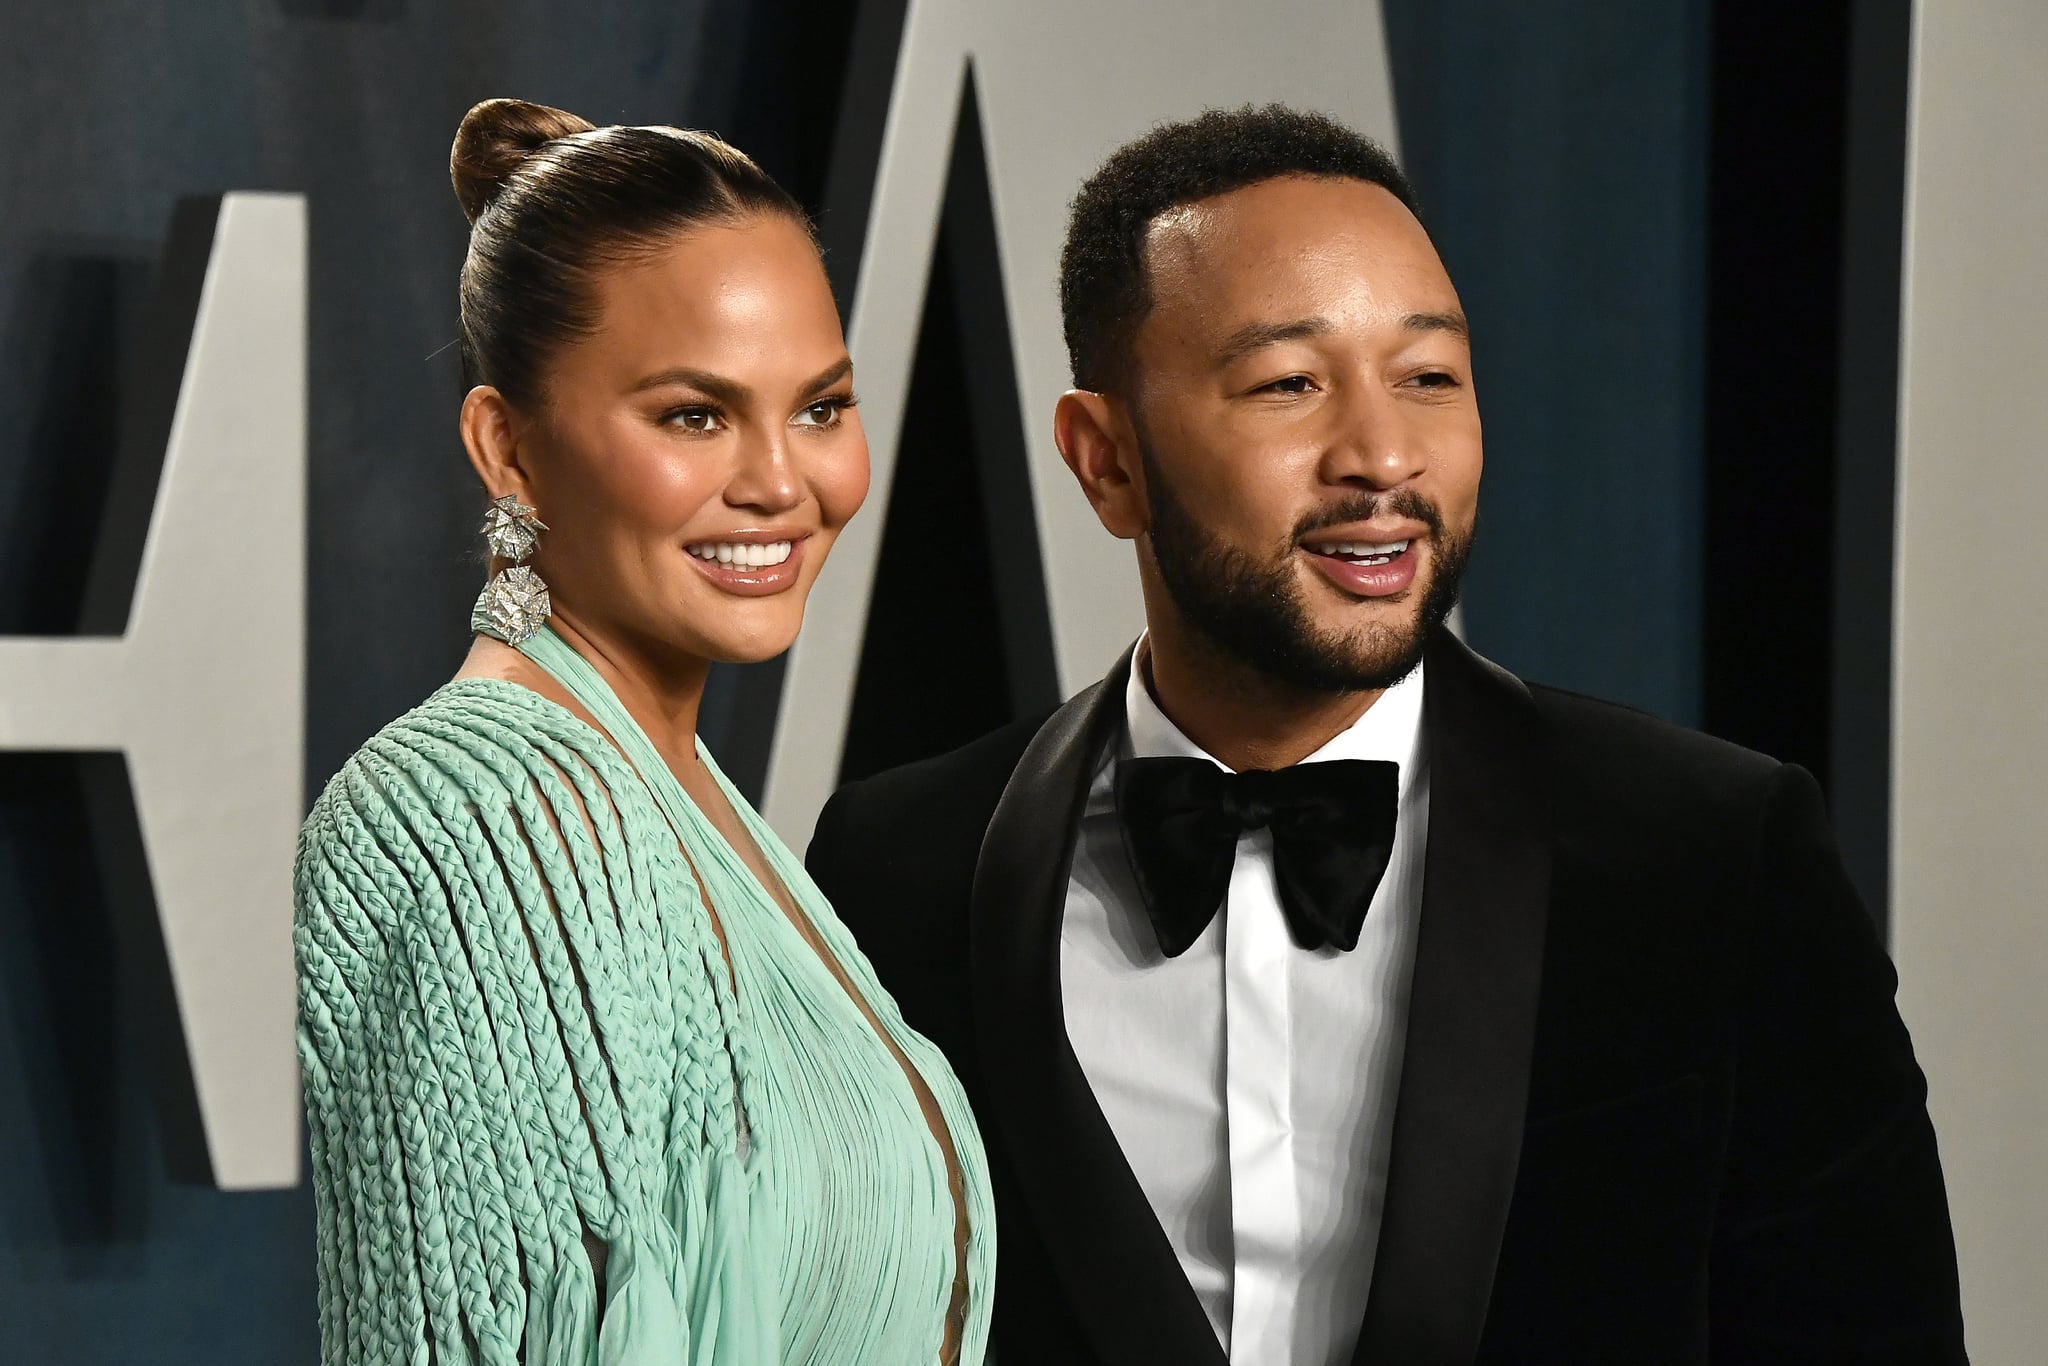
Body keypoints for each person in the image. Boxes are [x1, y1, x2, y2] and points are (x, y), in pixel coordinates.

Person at [803, 105, 1965, 1365]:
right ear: (1105, 462)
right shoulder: (899, 867)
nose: (1382, 455)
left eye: (1427, 377)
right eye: (1288, 384)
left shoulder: (1713, 852)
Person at [293, 99, 991, 1366]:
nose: (784, 482)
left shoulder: (686, 803)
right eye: (694, 415)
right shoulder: (494, 818)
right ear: (507, 448)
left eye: (821, 407)